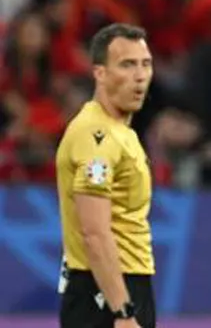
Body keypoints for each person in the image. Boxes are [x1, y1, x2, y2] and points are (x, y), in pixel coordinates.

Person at [55, 24, 156, 328]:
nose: (140, 75)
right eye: (127, 65)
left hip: (122, 283)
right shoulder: (96, 136)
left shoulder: (120, 132)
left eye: (146, 64)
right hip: (105, 293)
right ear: (99, 73)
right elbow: (95, 233)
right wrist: (122, 311)